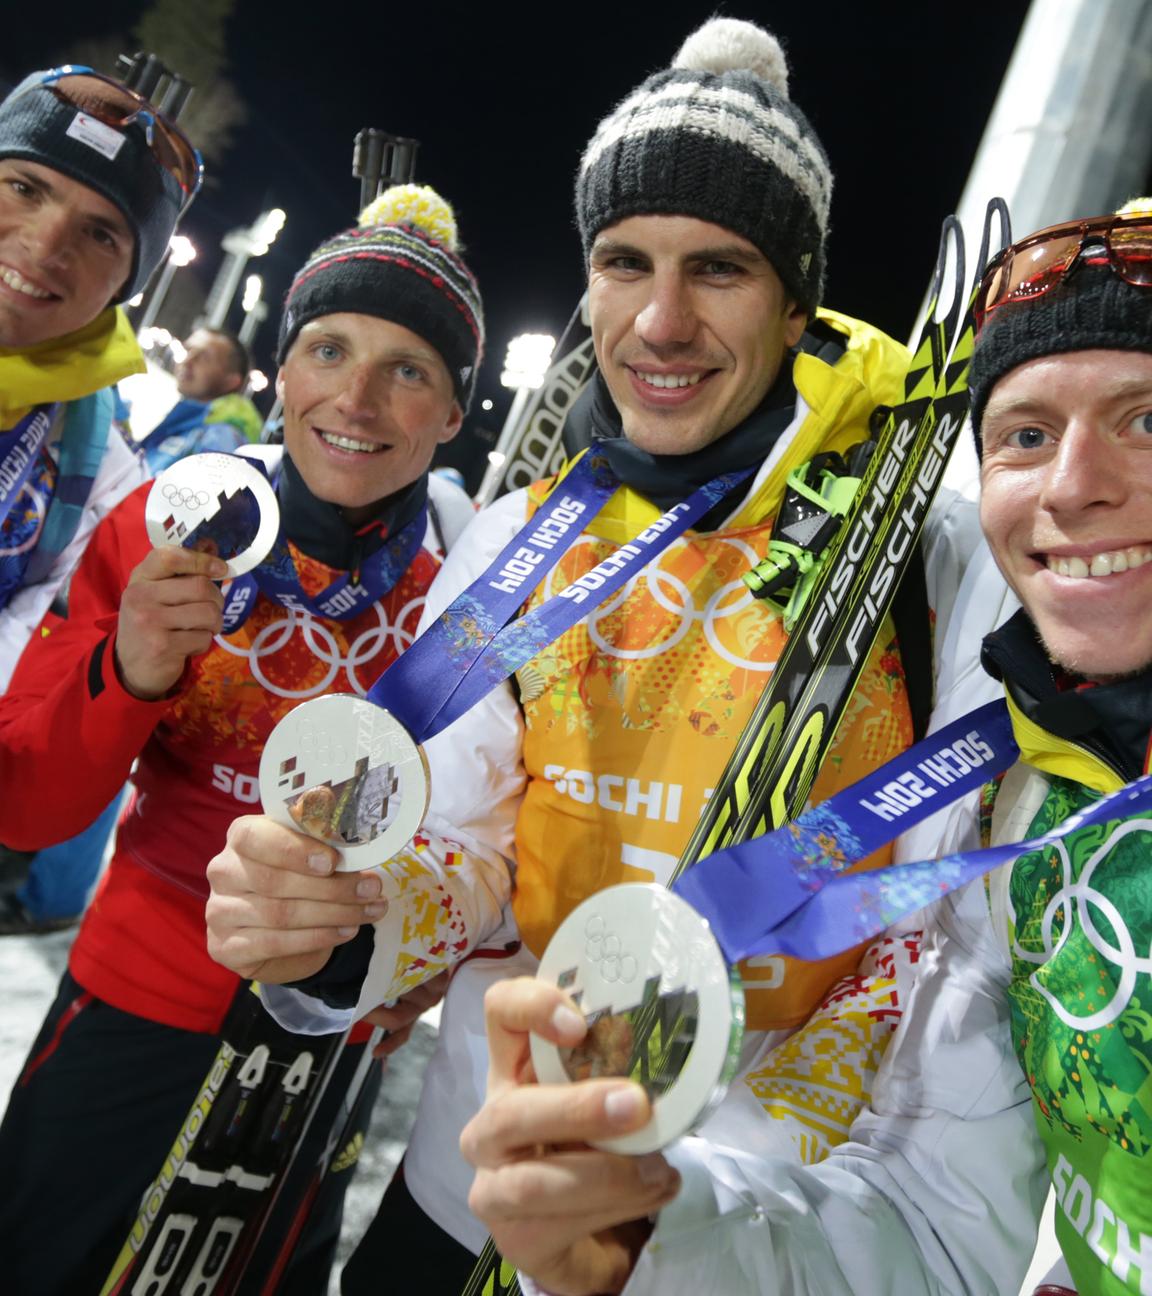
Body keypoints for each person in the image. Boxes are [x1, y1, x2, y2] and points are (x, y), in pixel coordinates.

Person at [203, 18, 982, 1293]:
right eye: (625, 262)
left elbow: (947, 933)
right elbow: (471, 845)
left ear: (797, 303)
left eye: (718, 270)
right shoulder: (523, 535)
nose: (660, 322)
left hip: (737, 1228)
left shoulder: (924, 548)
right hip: (475, 1183)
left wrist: (716, 1184)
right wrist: (346, 922)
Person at [458, 202, 1152, 1296]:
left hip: (781, 1138)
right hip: (540, 1176)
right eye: (1024, 432)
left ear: (794, 309)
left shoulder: (947, 586)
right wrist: (654, 1236)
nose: (1073, 484)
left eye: (1145, 418)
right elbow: (935, 1216)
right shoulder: (1039, 805)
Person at [0, 181, 485, 1295]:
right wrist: (126, 672)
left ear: (453, 415)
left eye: (408, 369)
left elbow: (482, 837)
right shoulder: (168, 519)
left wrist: (417, 955)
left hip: (323, 1032)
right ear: (281, 369)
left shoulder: (466, 590)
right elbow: (29, 809)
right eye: (327, 350)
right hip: (139, 992)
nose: (355, 399)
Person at [0, 65, 197, 933]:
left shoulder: (104, 475)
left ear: (126, 281)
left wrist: (130, 673)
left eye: (102, 233)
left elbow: (28, 782)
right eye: (22, 187)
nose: (46, 246)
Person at [136, 325, 263, 473]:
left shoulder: (222, 437)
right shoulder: (189, 424)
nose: (188, 360)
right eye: (188, 350)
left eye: (204, 357)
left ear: (231, 381)